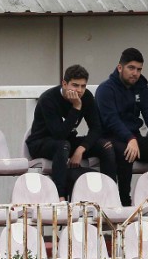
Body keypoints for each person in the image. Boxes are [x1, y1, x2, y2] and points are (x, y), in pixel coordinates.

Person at [95, 47, 148, 206]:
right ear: (120, 67)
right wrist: (130, 138)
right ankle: (124, 202)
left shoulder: (140, 85)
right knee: (128, 152)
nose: (135, 73)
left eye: (139, 69)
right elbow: (111, 120)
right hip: (111, 137)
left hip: (133, 137)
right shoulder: (105, 89)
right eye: (131, 68)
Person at [25, 65, 117, 200]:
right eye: (75, 85)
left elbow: (96, 128)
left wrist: (80, 150)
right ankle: (60, 197)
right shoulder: (48, 99)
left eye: (83, 86)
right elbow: (58, 134)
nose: (79, 90)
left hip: (67, 141)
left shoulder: (86, 97)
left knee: (105, 146)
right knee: (62, 145)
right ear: (64, 83)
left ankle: (111, 193)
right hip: (41, 142)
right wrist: (76, 107)